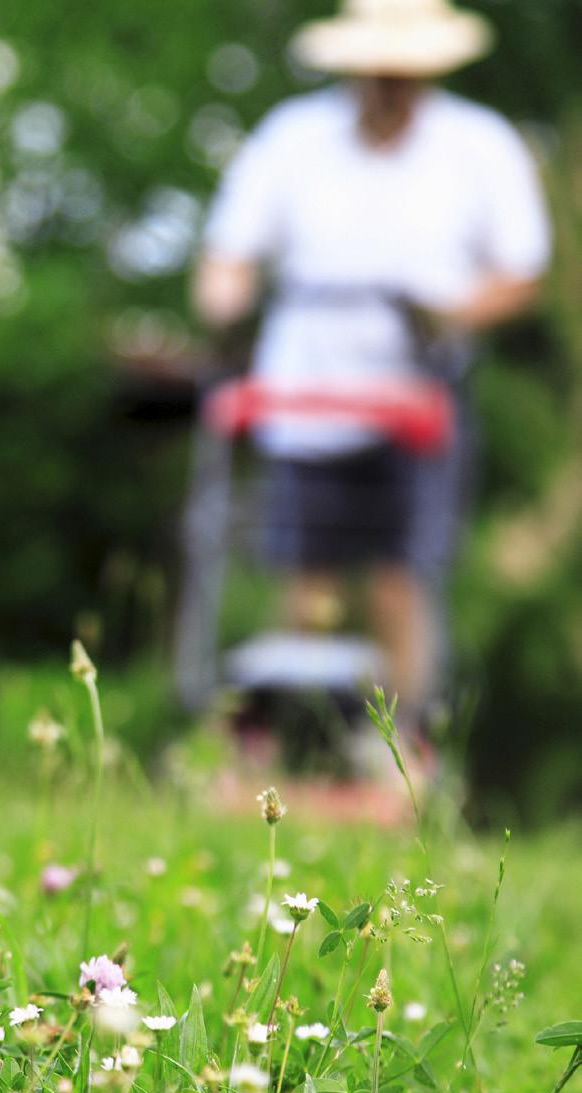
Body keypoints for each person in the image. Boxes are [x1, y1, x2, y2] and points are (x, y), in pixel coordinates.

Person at [192, 0, 551, 734]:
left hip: (419, 396)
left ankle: (403, 745)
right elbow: (227, 255)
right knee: (306, 585)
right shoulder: (293, 137)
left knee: (400, 582)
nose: (391, 87)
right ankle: (294, 745)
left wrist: (449, 313)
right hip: (301, 394)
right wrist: (223, 305)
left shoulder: (479, 145)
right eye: (378, 73)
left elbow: (521, 272)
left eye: (405, 74)